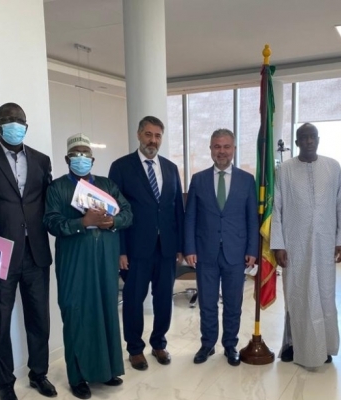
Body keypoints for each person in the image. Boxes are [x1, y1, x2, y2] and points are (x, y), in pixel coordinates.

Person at [0, 103, 55, 400]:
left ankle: (39, 374)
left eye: (20, 120)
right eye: (9, 120)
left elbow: (46, 202)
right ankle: (5, 384)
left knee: (39, 319)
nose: (15, 124)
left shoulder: (41, 160)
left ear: (26, 126)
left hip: (36, 253)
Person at [44, 134, 132, 399]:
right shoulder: (57, 188)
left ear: (93, 160)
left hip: (105, 258)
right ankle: (77, 377)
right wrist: (82, 223)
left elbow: (128, 213)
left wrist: (112, 222)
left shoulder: (107, 185)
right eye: (76, 155)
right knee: (76, 313)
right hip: (74, 261)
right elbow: (51, 222)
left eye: (86, 155)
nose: (81, 159)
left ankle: (107, 370)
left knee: (105, 311)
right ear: (67, 159)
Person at [270, 123, 341, 368]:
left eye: (312, 137)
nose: (308, 141)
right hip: (294, 244)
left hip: (325, 243)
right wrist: (278, 245)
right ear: (297, 143)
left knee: (325, 295)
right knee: (296, 295)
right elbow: (277, 209)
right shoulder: (285, 169)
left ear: (318, 139)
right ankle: (292, 345)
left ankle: (324, 346)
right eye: (303, 138)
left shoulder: (333, 166)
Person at [108, 116, 185, 371]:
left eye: (157, 136)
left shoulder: (171, 168)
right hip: (135, 249)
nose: (153, 140)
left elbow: (177, 209)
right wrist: (120, 250)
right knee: (133, 300)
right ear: (139, 135)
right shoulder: (121, 167)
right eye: (148, 134)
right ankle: (135, 349)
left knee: (163, 299)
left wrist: (180, 246)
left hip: (167, 248)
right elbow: (115, 211)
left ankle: (159, 344)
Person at [184, 128, 258, 366]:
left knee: (233, 303)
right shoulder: (198, 179)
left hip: (236, 252)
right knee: (207, 303)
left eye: (226, 147)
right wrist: (189, 248)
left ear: (234, 149)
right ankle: (207, 344)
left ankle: (230, 345)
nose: (222, 151)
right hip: (205, 252)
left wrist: (252, 250)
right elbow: (190, 217)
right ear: (211, 149)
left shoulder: (247, 180)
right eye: (217, 146)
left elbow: (252, 219)